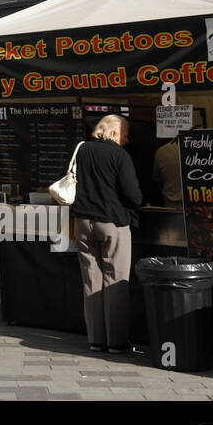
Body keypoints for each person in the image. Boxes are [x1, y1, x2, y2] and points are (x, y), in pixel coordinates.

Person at [73, 114, 144, 355]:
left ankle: (96, 340)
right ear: (113, 133)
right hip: (112, 222)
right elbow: (133, 195)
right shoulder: (120, 156)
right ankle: (116, 342)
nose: (126, 140)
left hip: (83, 221)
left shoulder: (82, 150)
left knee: (91, 281)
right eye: (124, 134)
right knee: (115, 282)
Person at [152, 137, 182, 205]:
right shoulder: (199, 150)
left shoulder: (161, 151)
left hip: (169, 203)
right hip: (196, 203)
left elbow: (157, 179)